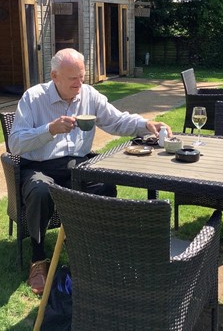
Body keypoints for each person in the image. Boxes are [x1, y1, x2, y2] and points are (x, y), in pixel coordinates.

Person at [9, 48, 171, 295]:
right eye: (73, 78)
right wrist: (49, 129)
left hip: (78, 164)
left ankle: (97, 250)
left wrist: (145, 124)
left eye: (82, 76)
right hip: (41, 166)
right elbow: (16, 143)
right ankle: (38, 260)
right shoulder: (33, 98)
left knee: (105, 185)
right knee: (41, 191)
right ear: (54, 76)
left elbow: (117, 121)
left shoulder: (89, 95)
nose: (79, 83)